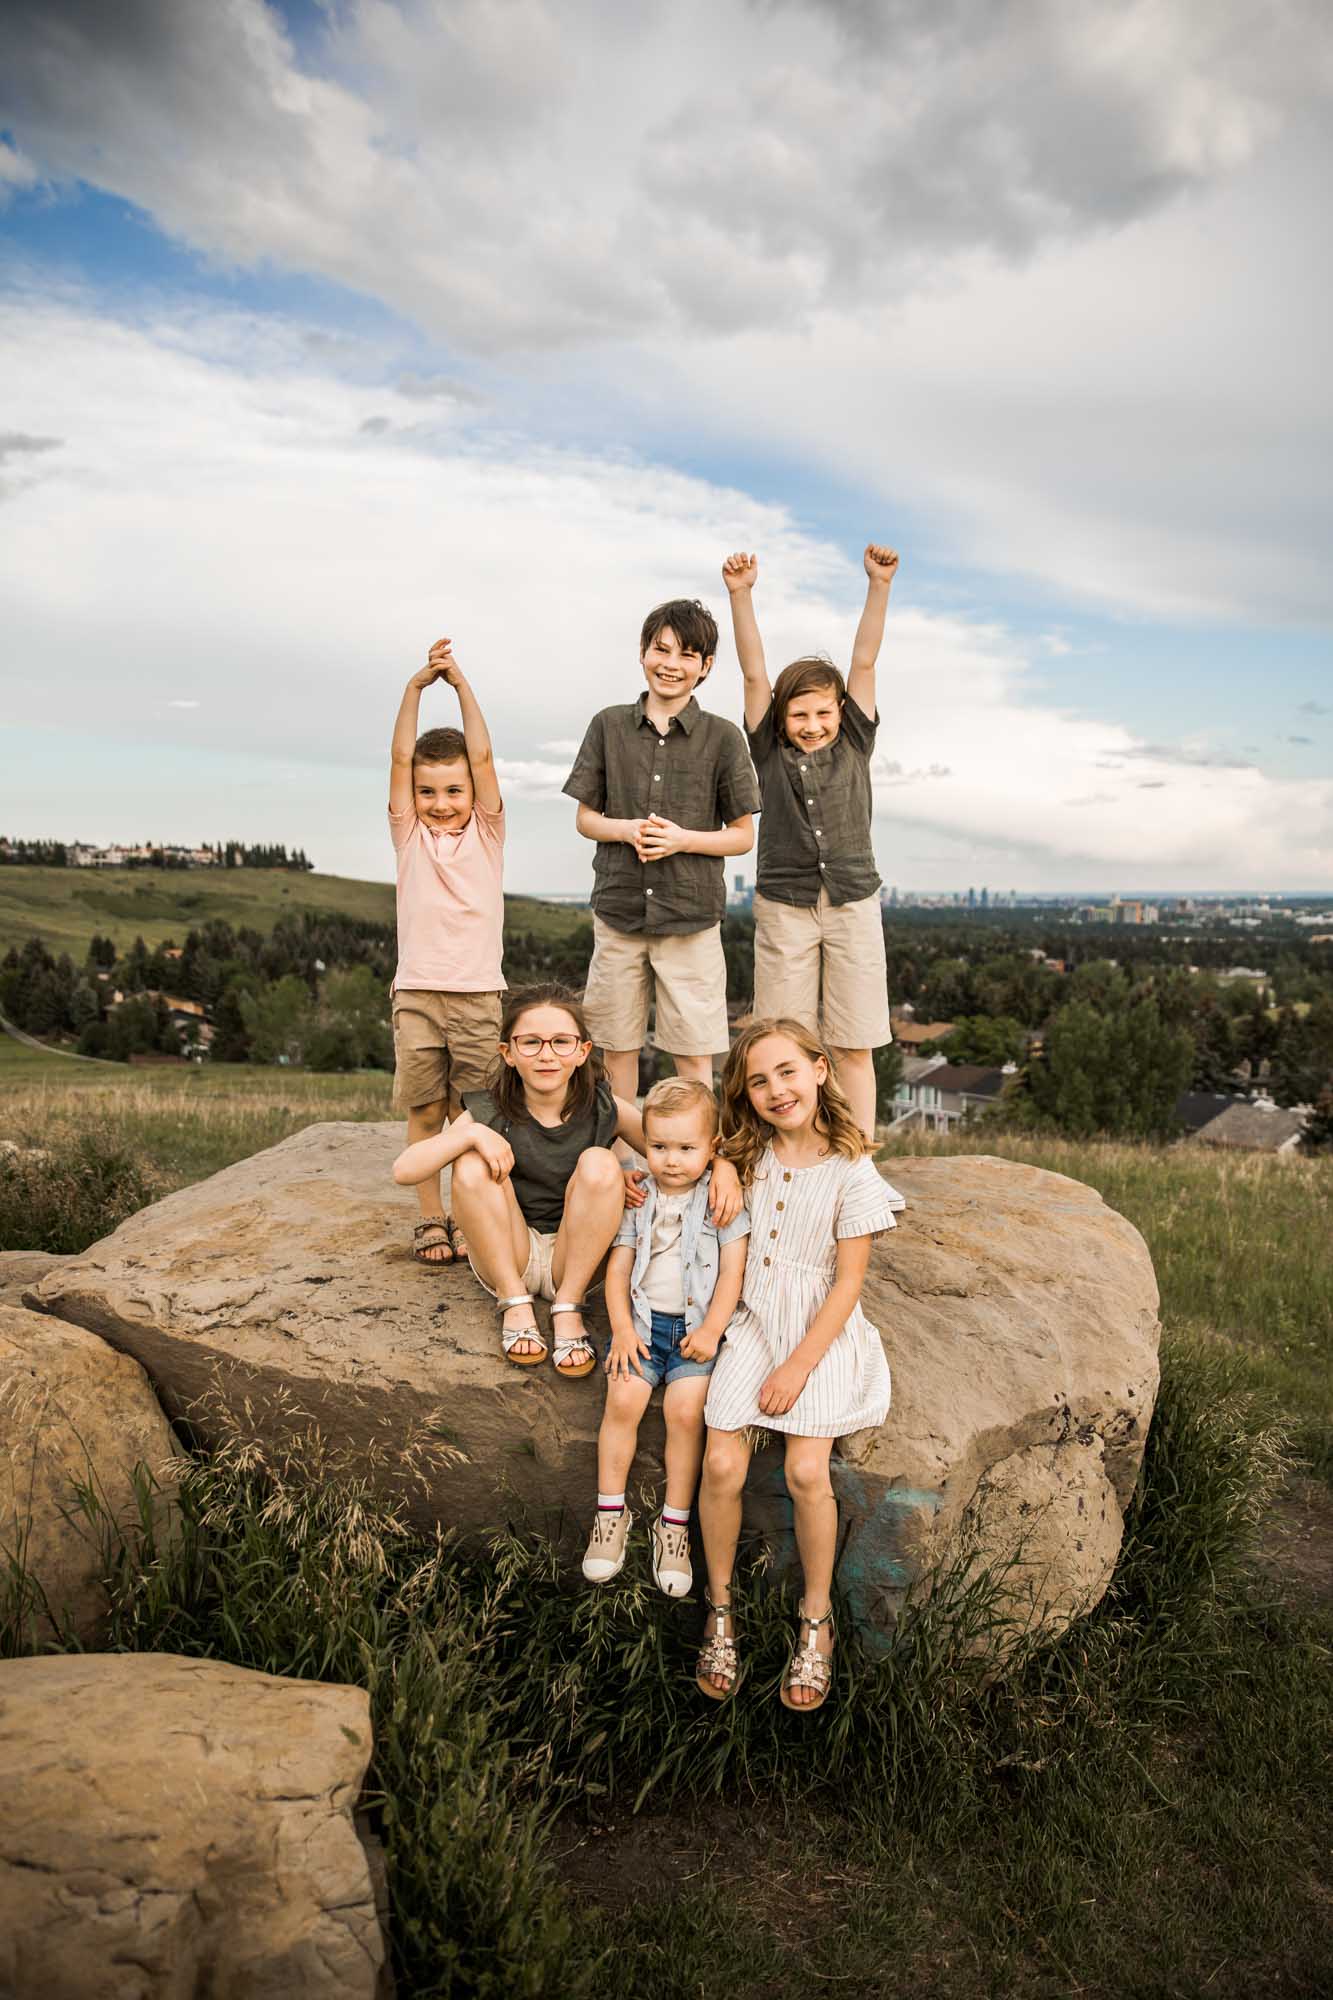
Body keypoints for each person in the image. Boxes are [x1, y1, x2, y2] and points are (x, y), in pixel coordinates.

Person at [695, 1018, 904, 1711]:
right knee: (721, 1463)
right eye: (758, 1080)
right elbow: (659, 1127)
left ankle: (815, 1621)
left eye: (788, 1071)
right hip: (754, 1321)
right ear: (744, 1093)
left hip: (819, 1333)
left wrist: (796, 1370)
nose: (776, 1089)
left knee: (804, 1470)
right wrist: (722, 1161)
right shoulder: (745, 1154)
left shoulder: (851, 1168)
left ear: (819, 1069)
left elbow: (848, 1284)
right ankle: (718, 1611)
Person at [393, 985, 742, 1376]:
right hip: (510, 1252)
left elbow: (679, 1145)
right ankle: (514, 1302)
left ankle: (568, 1307)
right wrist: (469, 1135)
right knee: (471, 1165)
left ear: (582, 1052)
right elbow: (404, 1170)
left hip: (576, 1259)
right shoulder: (488, 1109)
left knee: (601, 1162)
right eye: (530, 1043)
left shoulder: (600, 1104)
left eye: (561, 1042)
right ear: (507, 1052)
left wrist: (722, 1166)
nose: (546, 1054)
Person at [721, 545, 900, 1142]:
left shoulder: (854, 740)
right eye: (799, 714)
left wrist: (878, 585)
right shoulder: (767, 751)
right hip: (785, 907)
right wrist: (741, 597)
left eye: (823, 712)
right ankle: (785, 1154)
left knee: (854, 1041)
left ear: (841, 711)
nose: (812, 724)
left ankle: (858, 1160)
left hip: (853, 902)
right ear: (781, 718)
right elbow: (753, 674)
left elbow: (865, 660)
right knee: (781, 1043)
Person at [562, 597, 760, 1106]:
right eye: (661, 649)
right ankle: (623, 1161)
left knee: (693, 1051)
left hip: (690, 917)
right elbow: (586, 819)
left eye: (687, 655)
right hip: (619, 911)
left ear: (706, 667)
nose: (671, 664)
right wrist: (625, 829)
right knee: (616, 1046)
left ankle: (688, 1164)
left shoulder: (723, 737)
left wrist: (682, 840)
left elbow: (742, 835)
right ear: (643, 653)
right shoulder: (607, 725)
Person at [582, 1077, 750, 1597]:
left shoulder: (722, 1198)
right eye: (658, 1147)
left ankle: (673, 1523)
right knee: (623, 1400)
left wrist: (713, 1329)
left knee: (685, 1412)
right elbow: (618, 1268)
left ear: (712, 1148)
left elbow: (732, 1271)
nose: (671, 1160)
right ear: (644, 1143)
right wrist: (623, 1328)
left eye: (685, 1148)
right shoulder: (637, 1196)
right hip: (643, 1323)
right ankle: (610, 1514)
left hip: (694, 1329)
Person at [388, 636, 504, 1266]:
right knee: (427, 1107)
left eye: (453, 791)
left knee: (475, 1111)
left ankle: (469, 1214)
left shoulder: (487, 831)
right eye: (428, 793)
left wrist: (459, 685)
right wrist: (414, 688)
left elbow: (481, 755)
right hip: (418, 995)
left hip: (480, 993)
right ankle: (431, 1218)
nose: (441, 804)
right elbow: (403, 753)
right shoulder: (409, 835)